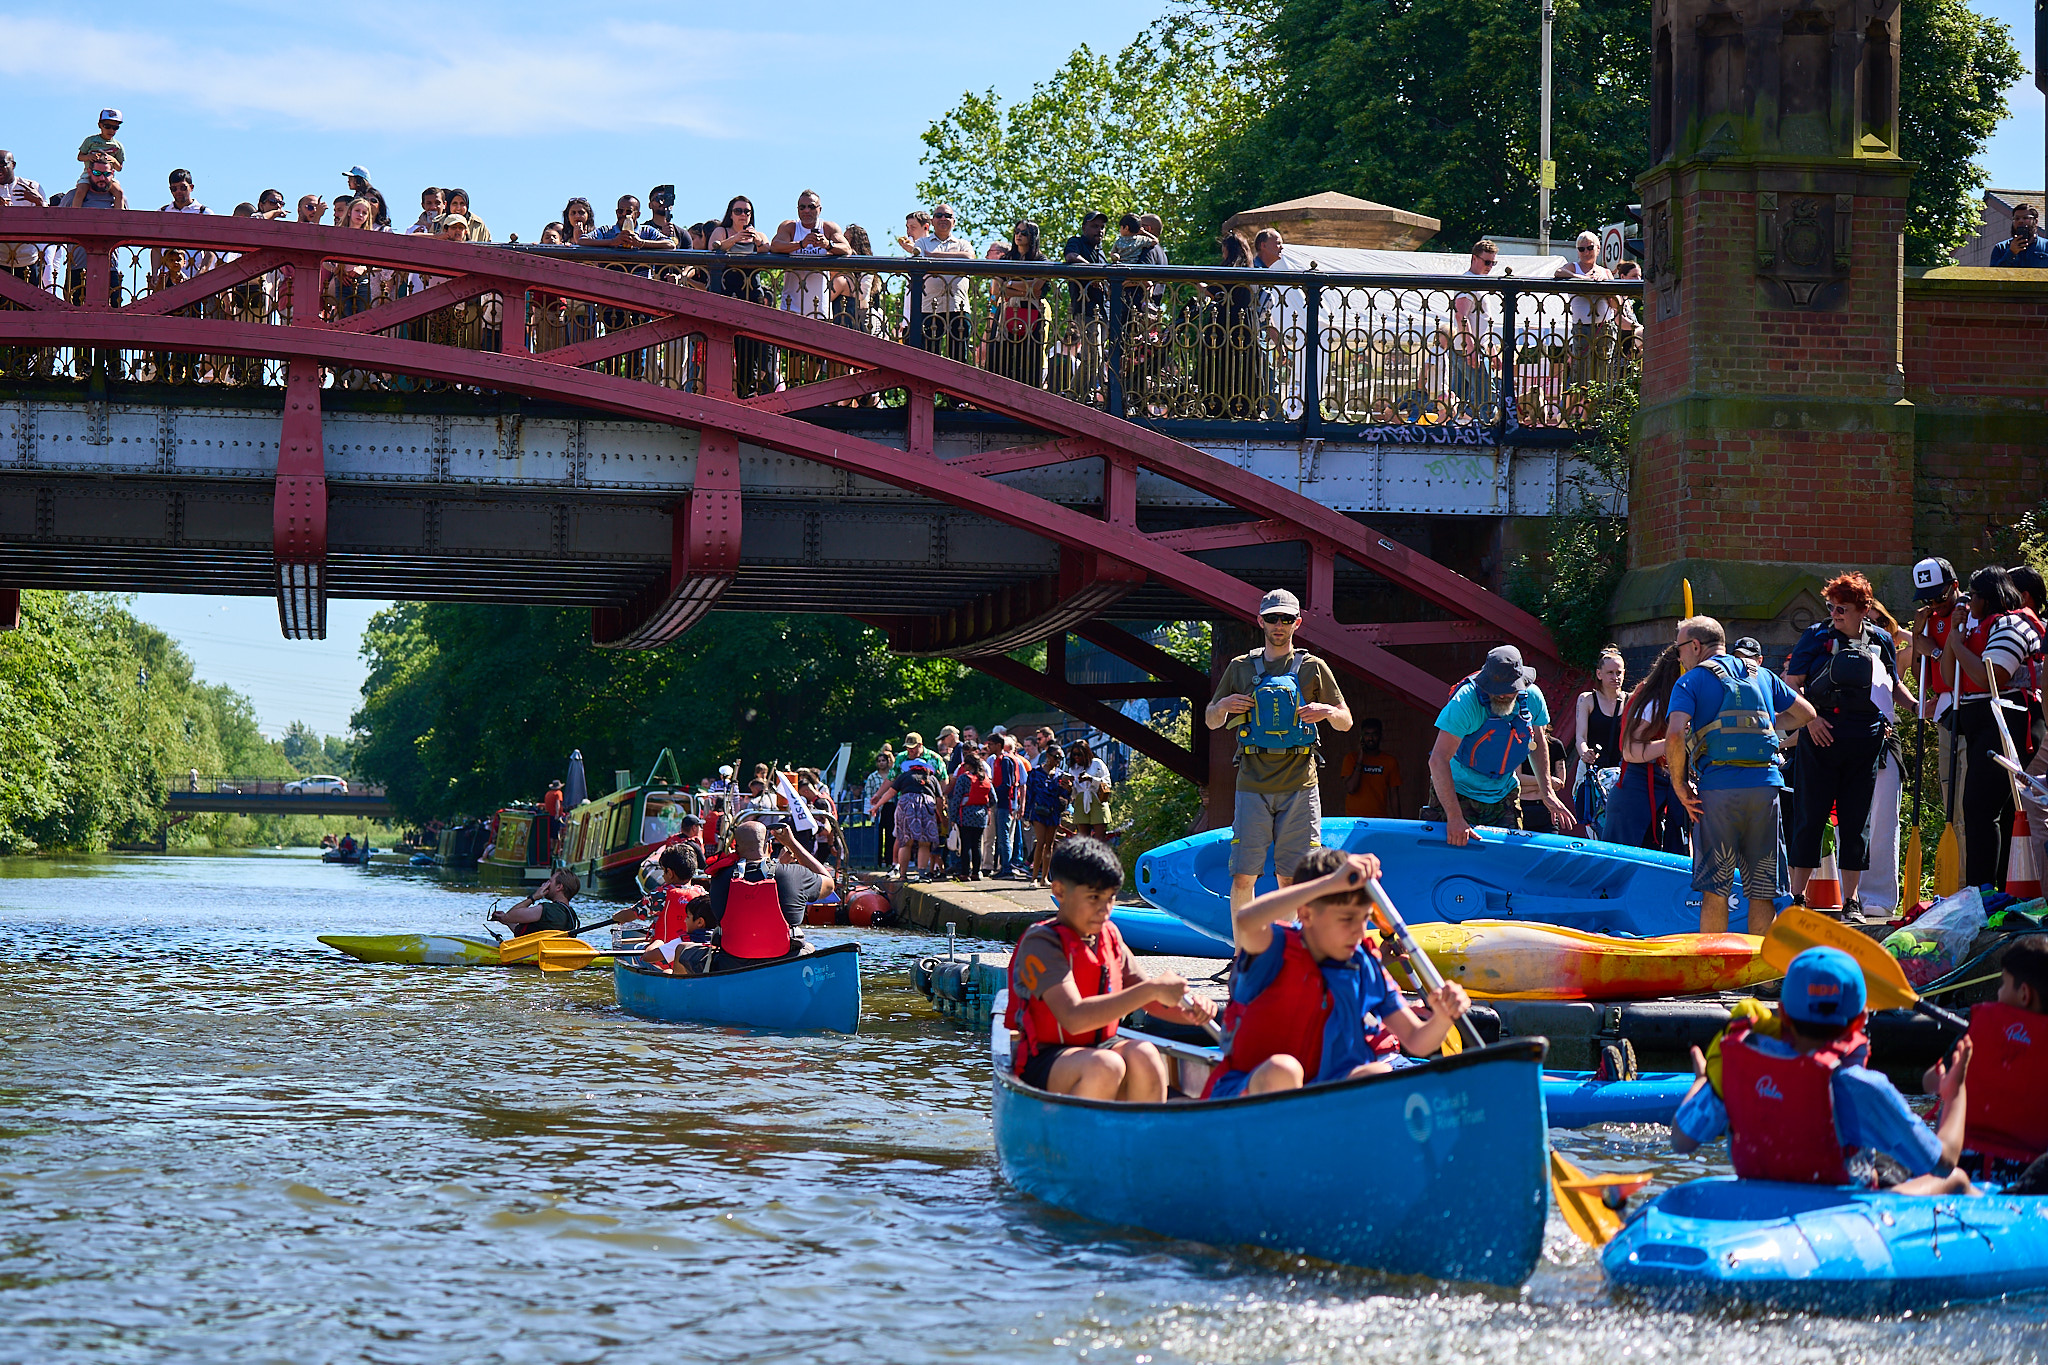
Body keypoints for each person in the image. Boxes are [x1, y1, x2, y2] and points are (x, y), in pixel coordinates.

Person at [1671, 947, 1974, 1196]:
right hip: (1840, 1215)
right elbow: (1942, 1162)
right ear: (1859, 1022)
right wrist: (1954, 1092)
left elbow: (1681, 1142)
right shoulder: (1863, 1086)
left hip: (1759, 1200)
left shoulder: (1739, 1064)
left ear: (1783, 1012)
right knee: (1956, 1178)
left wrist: (1703, 1081)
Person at [1207, 847, 1473, 1097]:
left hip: (1324, 1100)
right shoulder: (1274, 947)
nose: (1359, 932)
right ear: (1307, 914)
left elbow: (1417, 1040)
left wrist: (1443, 1016)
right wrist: (1331, 883)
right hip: (1251, 1091)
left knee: (1377, 1072)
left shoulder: (1363, 964)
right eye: (1346, 920)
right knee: (1284, 1070)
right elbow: (1246, 919)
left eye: (1363, 919)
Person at [1001, 836, 1215, 1099]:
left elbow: (1152, 1000)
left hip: (1101, 1046)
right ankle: (1083, 1136)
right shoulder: (1043, 943)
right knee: (1105, 1065)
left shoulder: (1110, 937)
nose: (1104, 910)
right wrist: (1151, 989)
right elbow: (1074, 1018)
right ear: (1059, 892)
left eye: (1110, 898)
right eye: (1093, 897)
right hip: (1045, 1055)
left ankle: (1147, 1134)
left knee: (1146, 1053)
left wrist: (1194, 1010)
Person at [1206, 589, 1353, 910]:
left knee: (1293, 878)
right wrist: (1224, 706)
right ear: (1260, 621)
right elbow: (1211, 720)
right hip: (1252, 783)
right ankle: (1244, 954)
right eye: (1272, 618)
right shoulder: (1240, 667)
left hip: (1300, 785)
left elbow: (1346, 722)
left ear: (1297, 623)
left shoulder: (1312, 667)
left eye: (1286, 619)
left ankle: (1290, 954)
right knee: (1244, 876)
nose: (1279, 625)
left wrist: (1327, 712)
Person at [1666, 616, 1814, 933]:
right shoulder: (1761, 674)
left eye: (1679, 649)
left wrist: (1680, 786)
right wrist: (1762, 723)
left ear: (1694, 646)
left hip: (1717, 793)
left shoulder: (1690, 682)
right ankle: (1760, 978)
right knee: (1763, 891)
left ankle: (1714, 976)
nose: (1679, 657)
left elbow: (1675, 734)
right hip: (1765, 790)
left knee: (1715, 890)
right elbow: (1807, 713)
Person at [1782, 574, 1914, 920]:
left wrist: (1918, 708)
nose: (1835, 614)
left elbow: (1893, 686)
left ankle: (1850, 901)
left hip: (1866, 740)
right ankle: (1796, 899)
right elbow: (1790, 685)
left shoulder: (1881, 639)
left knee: (1856, 824)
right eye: (1831, 607)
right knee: (1810, 817)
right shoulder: (1815, 637)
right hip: (1821, 736)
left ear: (1864, 609)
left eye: (1842, 608)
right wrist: (1810, 719)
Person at [1938, 566, 2046, 888]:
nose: (1969, 604)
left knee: (1982, 807)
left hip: (2008, 720)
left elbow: (1990, 676)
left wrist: (1957, 645)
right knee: (1984, 808)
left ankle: (1985, 890)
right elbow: (1948, 677)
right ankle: (1994, 888)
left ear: (1987, 598)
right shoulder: (1976, 627)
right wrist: (1954, 638)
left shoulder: (2011, 625)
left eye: (1973, 597)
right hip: (1982, 724)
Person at [1923, 935, 2048, 1193]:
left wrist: (1941, 1080)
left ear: (2024, 994)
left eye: (2003, 984)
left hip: (1963, 1163)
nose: (1999, 992)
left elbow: (1930, 1082)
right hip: (2030, 1177)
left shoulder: (1980, 1027)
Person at [1424, 645, 1570, 847]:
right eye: (1496, 690)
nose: (1502, 696)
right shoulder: (1466, 701)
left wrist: (1547, 793)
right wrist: (1455, 817)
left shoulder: (1533, 698)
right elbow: (1438, 760)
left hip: (1503, 793)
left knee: (1506, 862)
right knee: (1453, 858)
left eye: (1508, 690)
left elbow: (1538, 742)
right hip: (1459, 791)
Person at [693, 819, 832, 971]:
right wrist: (792, 844)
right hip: (786, 961)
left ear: (736, 849)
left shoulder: (719, 878)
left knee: (683, 949)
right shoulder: (794, 874)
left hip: (731, 964)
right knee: (809, 948)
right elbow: (829, 884)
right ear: (769, 847)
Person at [1601, 645, 1689, 853]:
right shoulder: (1653, 699)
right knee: (1620, 864)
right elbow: (1631, 751)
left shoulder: (1667, 697)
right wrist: (1676, 740)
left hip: (1658, 788)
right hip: (1636, 791)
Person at [769, 189, 851, 322]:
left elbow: (847, 249)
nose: (806, 210)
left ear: (820, 209)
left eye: (811, 207)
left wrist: (828, 245)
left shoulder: (828, 227)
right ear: (798, 209)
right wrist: (801, 244)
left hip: (820, 309)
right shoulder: (790, 227)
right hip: (791, 307)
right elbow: (775, 245)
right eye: (802, 207)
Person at [912, 204, 974, 363]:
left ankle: (956, 388)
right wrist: (953, 258)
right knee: (929, 359)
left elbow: (969, 258)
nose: (943, 219)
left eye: (947, 216)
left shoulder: (963, 244)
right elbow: (918, 259)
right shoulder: (922, 243)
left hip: (958, 306)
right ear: (932, 221)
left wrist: (934, 255)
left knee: (959, 359)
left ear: (954, 221)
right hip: (929, 307)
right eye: (939, 215)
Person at [1574, 646, 1626, 835]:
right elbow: (1580, 736)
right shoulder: (1587, 699)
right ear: (1599, 674)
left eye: (1619, 672)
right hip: (1593, 769)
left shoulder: (1629, 701)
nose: (1615, 677)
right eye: (1610, 672)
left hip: (1621, 770)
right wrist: (1584, 752)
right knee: (1595, 823)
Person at [636, 842, 708, 974]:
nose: (684, 921)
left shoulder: (660, 894)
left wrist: (658, 941)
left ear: (669, 873)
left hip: (661, 959)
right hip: (695, 965)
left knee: (637, 950)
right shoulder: (703, 895)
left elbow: (632, 913)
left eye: (663, 871)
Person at [1024, 747, 1072, 887]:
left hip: (1053, 811)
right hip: (1038, 811)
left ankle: (1044, 878)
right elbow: (1030, 795)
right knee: (1041, 842)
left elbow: (1065, 797)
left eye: (1060, 758)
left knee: (1049, 845)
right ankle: (1034, 878)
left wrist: (1068, 789)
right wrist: (1027, 815)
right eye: (1056, 757)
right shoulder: (1035, 773)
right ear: (1048, 756)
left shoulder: (1060, 775)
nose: (1058, 760)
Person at [1339, 721, 1403, 819]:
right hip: (1354, 818)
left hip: (1379, 818)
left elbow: (1394, 794)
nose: (1370, 738)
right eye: (1367, 734)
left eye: (1374, 734)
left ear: (1380, 736)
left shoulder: (1390, 761)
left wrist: (1399, 822)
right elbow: (1351, 788)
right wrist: (1360, 759)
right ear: (1361, 737)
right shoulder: (1351, 758)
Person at [491, 868, 583, 936]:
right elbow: (526, 934)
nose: (545, 885)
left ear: (559, 887)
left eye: (549, 881)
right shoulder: (570, 914)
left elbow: (509, 916)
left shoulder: (546, 910)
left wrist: (534, 897)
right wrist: (506, 921)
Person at [947, 752, 993, 881]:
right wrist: (984, 807)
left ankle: (965, 873)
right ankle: (976, 872)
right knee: (977, 844)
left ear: (968, 765)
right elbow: (993, 798)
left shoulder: (963, 778)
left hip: (965, 815)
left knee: (966, 845)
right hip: (981, 816)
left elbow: (956, 799)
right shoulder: (985, 778)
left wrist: (953, 816)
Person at [1064, 740, 1113, 840]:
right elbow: (1074, 793)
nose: (1076, 757)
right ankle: (1085, 856)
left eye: (1079, 754)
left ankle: (1099, 855)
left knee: (1100, 839)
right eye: (1074, 754)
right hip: (1081, 801)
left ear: (1086, 753)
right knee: (1083, 839)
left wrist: (1090, 779)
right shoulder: (1073, 769)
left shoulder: (1097, 763)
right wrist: (1069, 788)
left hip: (1097, 799)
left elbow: (1107, 783)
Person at [1988, 202, 2048, 268]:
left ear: (2036, 221)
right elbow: (1994, 274)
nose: (2020, 221)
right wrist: (2011, 253)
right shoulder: (2001, 248)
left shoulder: (2046, 246)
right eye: (2017, 218)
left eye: (2025, 218)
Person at [75, 110, 125, 181]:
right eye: (107, 126)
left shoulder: (118, 146)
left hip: (108, 176)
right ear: (99, 125)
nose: (111, 130)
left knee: (118, 191)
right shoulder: (90, 140)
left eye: (115, 127)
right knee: (81, 189)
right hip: (89, 175)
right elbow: (80, 157)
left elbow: (119, 168)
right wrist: (89, 157)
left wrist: (113, 160)